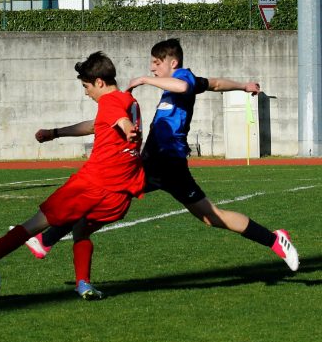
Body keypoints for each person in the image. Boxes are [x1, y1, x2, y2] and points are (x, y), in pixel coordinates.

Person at [26, 38, 299, 272]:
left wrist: (145, 80)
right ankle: (48, 240)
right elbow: (215, 83)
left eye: (155, 63)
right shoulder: (168, 86)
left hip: (169, 164)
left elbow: (183, 87)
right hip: (152, 164)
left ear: (172, 63)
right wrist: (243, 85)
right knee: (105, 195)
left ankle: (275, 240)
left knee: (211, 217)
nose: (151, 68)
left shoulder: (184, 78)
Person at [0, 51, 145, 300]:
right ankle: (83, 284)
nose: (86, 92)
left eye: (86, 86)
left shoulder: (110, 102)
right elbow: (99, 124)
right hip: (120, 194)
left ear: (99, 82)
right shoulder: (129, 100)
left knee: (32, 225)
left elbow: (120, 120)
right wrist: (56, 132)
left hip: (91, 185)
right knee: (82, 231)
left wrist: (129, 130)